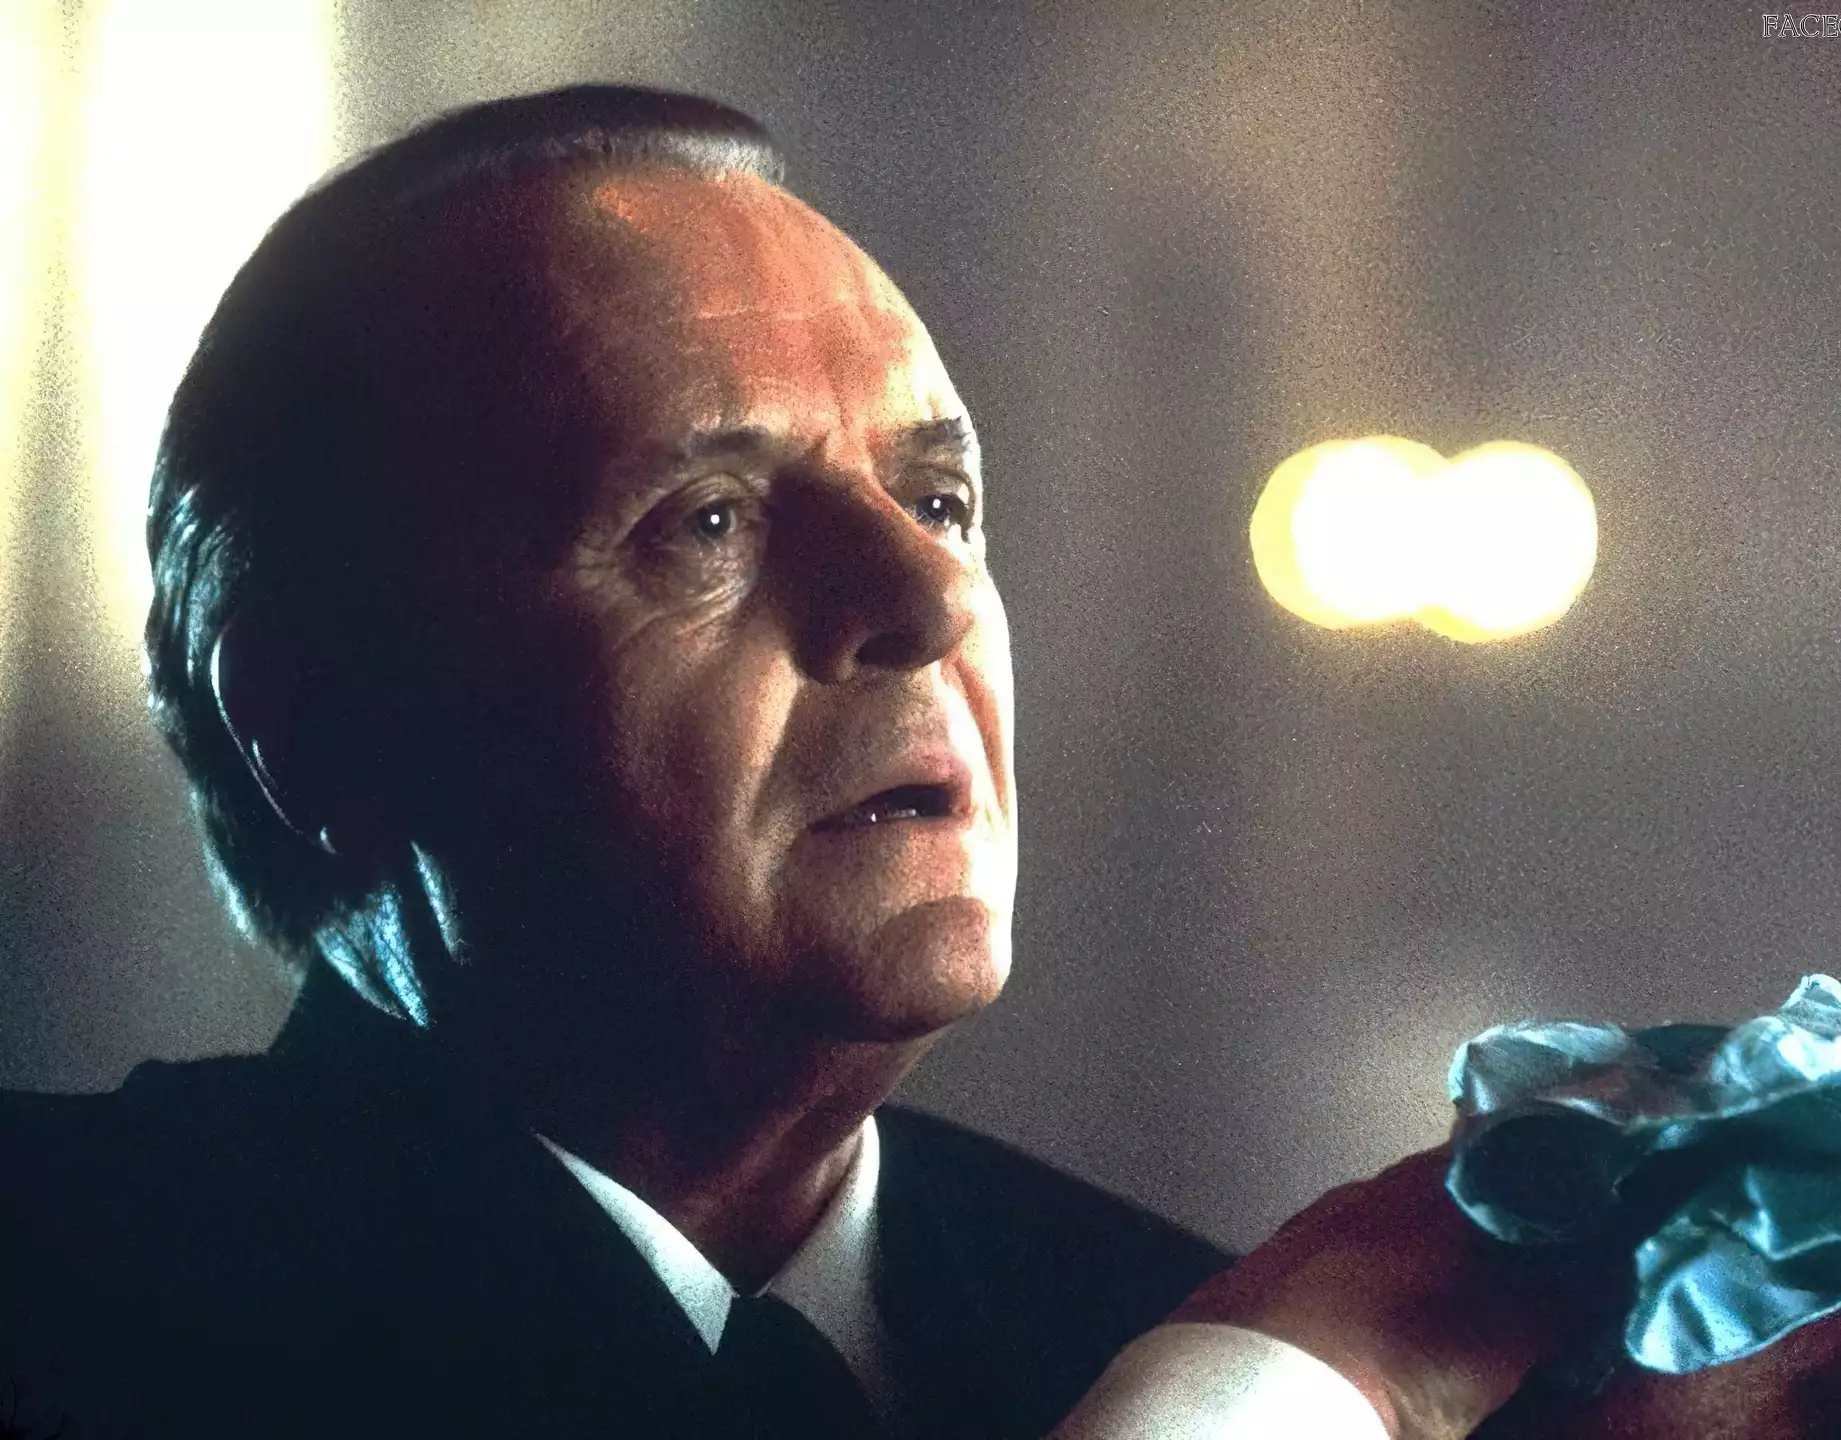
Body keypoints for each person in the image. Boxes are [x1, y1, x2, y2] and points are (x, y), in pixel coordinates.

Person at [0, 84, 1591, 1440]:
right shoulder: (62, 1299)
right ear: (320, 719)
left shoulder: (1149, 1316)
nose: (929, 595)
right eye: (707, 521)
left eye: (941, 503)